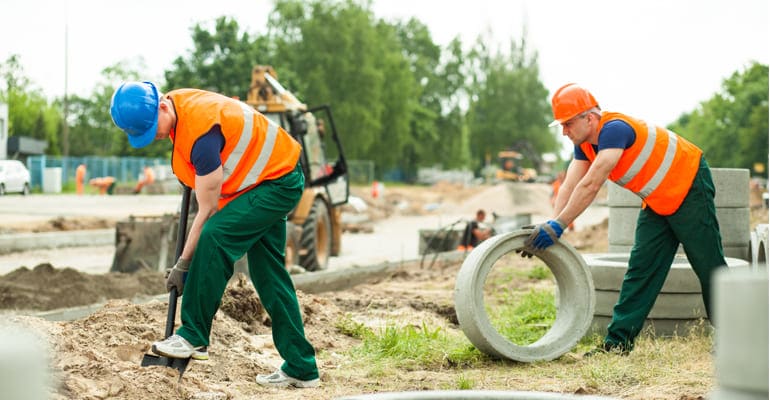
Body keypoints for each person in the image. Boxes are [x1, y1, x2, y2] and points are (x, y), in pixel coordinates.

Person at [109, 81, 320, 388]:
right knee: (269, 275)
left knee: (215, 237)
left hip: (276, 183)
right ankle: (302, 367)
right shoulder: (179, 109)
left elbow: (207, 211)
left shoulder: (201, 134)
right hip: (265, 179)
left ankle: (193, 335)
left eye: (153, 126)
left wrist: (184, 264)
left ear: (163, 106)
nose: (153, 134)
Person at [525, 83, 727, 355]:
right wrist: (551, 224)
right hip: (657, 200)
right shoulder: (584, 146)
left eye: (568, 123)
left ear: (589, 118)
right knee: (640, 271)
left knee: (709, 265)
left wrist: (559, 226)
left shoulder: (615, 130)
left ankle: (733, 334)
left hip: (689, 185)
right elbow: (571, 185)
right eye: (561, 125)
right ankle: (617, 344)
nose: (564, 131)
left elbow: (591, 184)